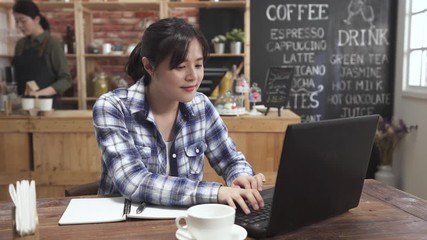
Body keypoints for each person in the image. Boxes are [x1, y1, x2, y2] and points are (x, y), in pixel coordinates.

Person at [93, 17, 265, 214]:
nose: (193, 76)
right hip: (122, 224)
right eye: (180, 67)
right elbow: (134, 182)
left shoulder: (200, 105)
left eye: (198, 65)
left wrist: (240, 177)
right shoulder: (113, 107)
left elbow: (231, 160)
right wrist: (217, 192)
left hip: (185, 224)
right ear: (149, 67)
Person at [12, 0, 72, 106]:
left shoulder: (52, 44)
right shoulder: (20, 45)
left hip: (47, 106)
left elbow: (66, 79)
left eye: (23, 21)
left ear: (36, 19)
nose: (19, 26)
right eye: (16, 21)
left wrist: (39, 94)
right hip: (23, 107)